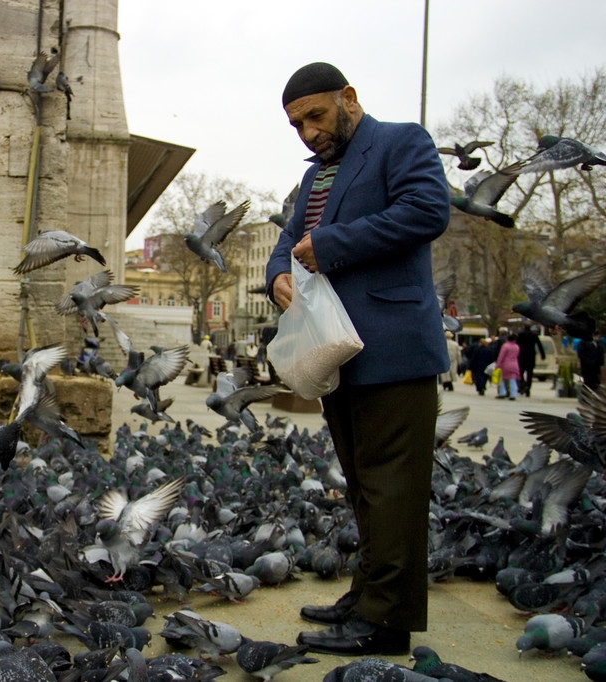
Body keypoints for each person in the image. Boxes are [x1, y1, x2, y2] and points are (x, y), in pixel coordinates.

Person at [264, 62, 449, 656]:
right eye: (296, 125)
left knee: (394, 488)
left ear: (348, 98)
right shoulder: (318, 175)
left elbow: (427, 211)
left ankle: (387, 624)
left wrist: (331, 246)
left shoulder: (401, 141)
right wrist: (276, 281)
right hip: (335, 348)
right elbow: (286, 242)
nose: (308, 132)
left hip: (393, 347)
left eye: (316, 115)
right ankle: (367, 596)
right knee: (366, 488)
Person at [516, 325, 545, 396]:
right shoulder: (534, 335)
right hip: (531, 356)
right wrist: (542, 355)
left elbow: (516, 344)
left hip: (521, 355)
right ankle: (528, 388)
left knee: (520, 372)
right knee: (530, 374)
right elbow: (539, 345)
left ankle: (522, 385)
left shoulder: (520, 335)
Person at [495, 333, 521, 400]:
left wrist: (498, 364)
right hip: (515, 364)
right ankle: (513, 395)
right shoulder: (516, 346)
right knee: (513, 380)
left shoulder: (505, 346)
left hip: (505, 364)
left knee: (502, 379)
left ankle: (502, 393)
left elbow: (501, 356)